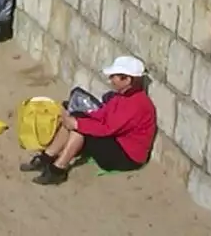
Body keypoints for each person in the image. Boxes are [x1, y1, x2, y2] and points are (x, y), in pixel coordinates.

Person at [22, 55, 157, 185]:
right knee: (77, 119)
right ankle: (47, 157)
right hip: (117, 141)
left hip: (127, 156)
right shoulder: (122, 96)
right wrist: (75, 117)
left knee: (80, 128)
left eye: (114, 76)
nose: (111, 79)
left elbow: (108, 129)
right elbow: (102, 115)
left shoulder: (136, 105)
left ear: (127, 80)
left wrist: (78, 124)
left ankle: (58, 168)